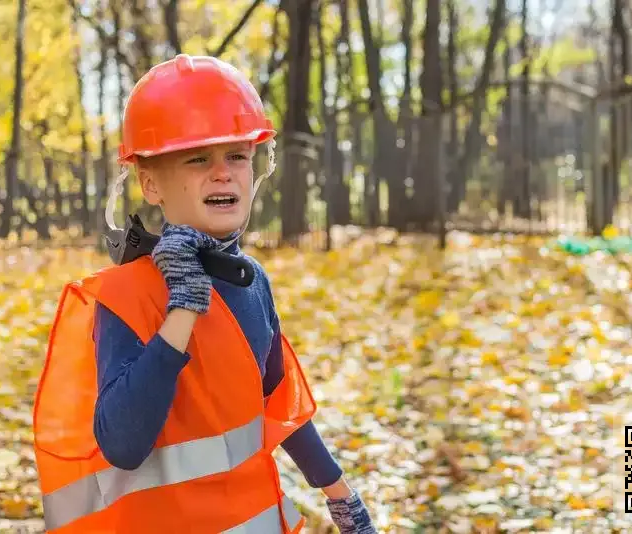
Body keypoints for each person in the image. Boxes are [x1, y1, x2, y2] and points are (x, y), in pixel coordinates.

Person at [32, 54, 377, 533]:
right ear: (150, 183)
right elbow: (123, 444)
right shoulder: (126, 295)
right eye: (198, 158)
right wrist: (183, 306)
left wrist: (340, 494)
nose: (223, 172)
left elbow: (276, 400)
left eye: (237, 155)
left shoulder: (250, 280)